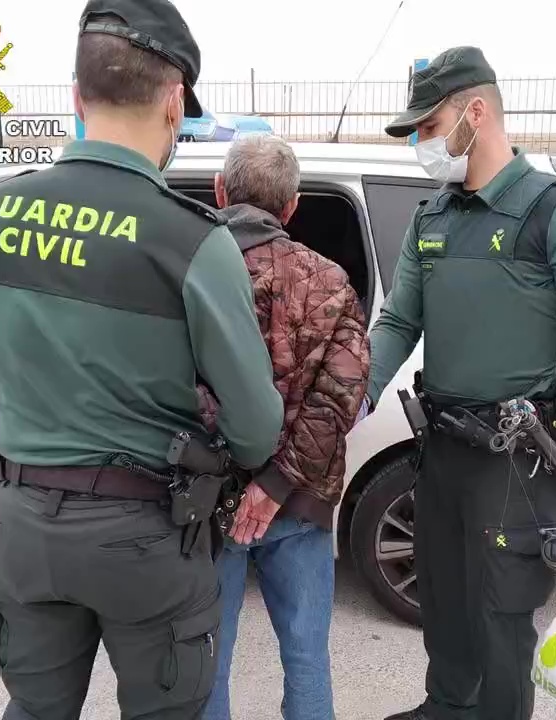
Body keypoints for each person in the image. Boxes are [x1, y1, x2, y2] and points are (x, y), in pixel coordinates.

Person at [0, 2, 284, 718]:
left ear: (76, 96)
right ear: (174, 101)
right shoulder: (192, 239)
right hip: (144, 537)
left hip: (23, 525)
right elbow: (255, 426)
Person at [365, 46, 556, 720]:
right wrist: (355, 394)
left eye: (428, 127)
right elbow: (399, 319)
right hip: (442, 452)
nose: (423, 144)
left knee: (501, 617)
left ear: (474, 113)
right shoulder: (435, 218)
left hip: (514, 461)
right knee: (445, 601)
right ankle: (446, 705)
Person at [193, 133, 371, 720]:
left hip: (204, 503)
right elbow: (337, 400)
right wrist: (279, 482)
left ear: (220, 191)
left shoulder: (191, 274)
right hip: (300, 505)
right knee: (306, 659)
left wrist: (246, 480)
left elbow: (177, 392)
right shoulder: (331, 281)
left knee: (206, 661)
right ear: (292, 207)